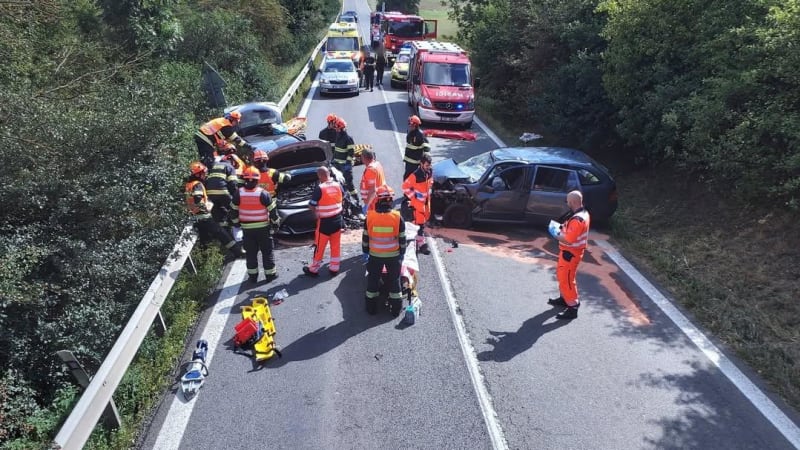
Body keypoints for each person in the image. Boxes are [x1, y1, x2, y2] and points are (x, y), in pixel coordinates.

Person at [231, 167, 280, 284]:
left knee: (251, 253)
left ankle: (253, 277)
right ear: (257, 180)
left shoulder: (239, 193)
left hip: (247, 230)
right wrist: (276, 224)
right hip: (263, 228)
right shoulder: (263, 194)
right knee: (267, 252)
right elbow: (273, 212)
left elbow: (233, 211)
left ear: (244, 179)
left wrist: (236, 222)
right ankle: (270, 275)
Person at [363, 185, 406, 316]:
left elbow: (365, 238)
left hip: (375, 255)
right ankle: (396, 310)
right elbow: (402, 239)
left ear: (377, 200)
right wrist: (402, 253)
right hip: (393, 256)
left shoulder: (370, 217)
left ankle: (371, 309)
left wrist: (366, 252)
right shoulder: (397, 217)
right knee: (394, 281)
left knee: (373, 280)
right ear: (390, 200)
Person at [547, 190, 591, 320]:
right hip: (569, 253)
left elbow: (569, 239)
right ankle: (565, 299)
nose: (567, 203)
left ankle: (573, 307)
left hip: (570, 253)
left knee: (567, 279)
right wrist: (561, 227)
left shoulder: (578, 219)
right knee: (562, 276)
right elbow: (571, 232)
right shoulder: (583, 213)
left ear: (572, 202)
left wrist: (554, 232)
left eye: (567, 201)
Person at [184, 161, 243, 257]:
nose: (205, 174)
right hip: (204, 216)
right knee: (221, 234)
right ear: (198, 174)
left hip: (196, 217)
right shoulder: (197, 184)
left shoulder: (188, 185)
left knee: (205, 240)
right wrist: (205, 207)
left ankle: (204, 259)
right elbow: (197, 198)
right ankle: (238, 252)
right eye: (203, 173)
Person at [303, 167, 345, 276]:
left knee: (319, 247)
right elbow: (343, 196)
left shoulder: (320, 188)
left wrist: (316, 212)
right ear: (329, 173)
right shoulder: (338, 185)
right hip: (337, 220)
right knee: (335, 245)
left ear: (320, 176)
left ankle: (314, 269)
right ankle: (334, 268)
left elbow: (312, 205)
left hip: (325, 223)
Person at [402, 153, 433, 255]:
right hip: (418, 204)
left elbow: (430, 183)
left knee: (421, 224)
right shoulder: (415, 175)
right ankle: (420, 244)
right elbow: (405, 187)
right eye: (427, 165)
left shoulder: (429, 172)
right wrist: (413, 197)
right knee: (419, 225)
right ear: (421, 164)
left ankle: (417, 242)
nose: (429, 167)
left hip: (425, 204)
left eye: (429, 165)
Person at [204, 152, 238, 228]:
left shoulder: (214, 166)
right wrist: (235, 196)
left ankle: (223, 228)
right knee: (233, 209)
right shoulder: (229, 166)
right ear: (232, 161)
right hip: (223, 192)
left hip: (210, 193)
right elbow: (233, 183)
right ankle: (236, 226)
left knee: (218, 212)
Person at [331, 118, 359, 204]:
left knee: (349, 185)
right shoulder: (338, 136)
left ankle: (356, 200)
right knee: (337, 183)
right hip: (337, 165)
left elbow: (351, 153)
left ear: (341, 128)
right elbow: (336, 150)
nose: (336, 129)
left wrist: (347, 164)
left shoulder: (348, 139)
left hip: (345, 166)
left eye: (337, 128)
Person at [403, 115, 430, 179]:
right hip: (408, 160)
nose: (409, 125)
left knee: (411, 178)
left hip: (415, 162)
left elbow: (427, 147)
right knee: (407, 177)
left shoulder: (420, 134)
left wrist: (426, 160)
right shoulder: (410, 132)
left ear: (415, 125)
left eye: (411, 124)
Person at [359, 149, 386, 214]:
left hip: (373, 202)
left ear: (364, 158)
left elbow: (372, 190)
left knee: (373, 221)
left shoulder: (371, 169)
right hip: (379, 198)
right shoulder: (377, 164)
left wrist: (367, 205)